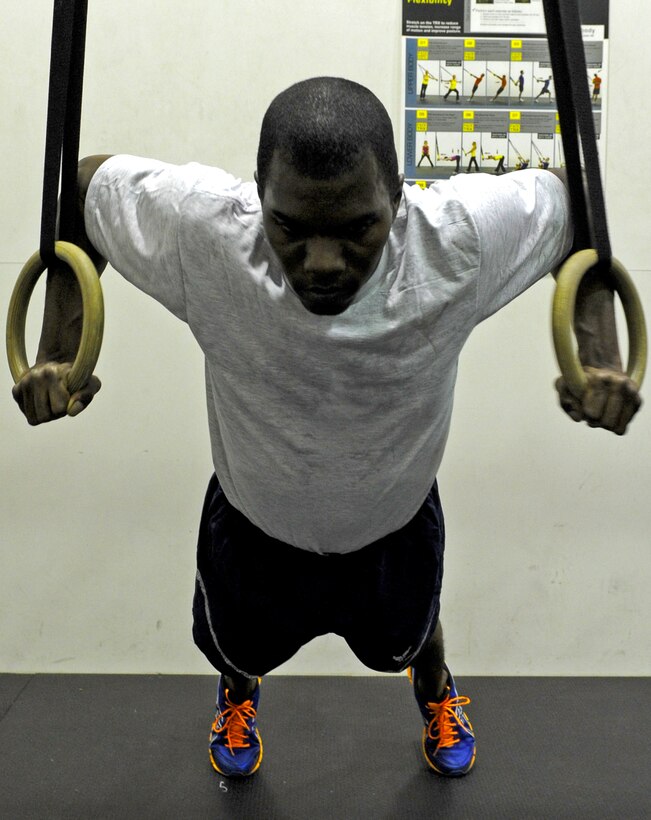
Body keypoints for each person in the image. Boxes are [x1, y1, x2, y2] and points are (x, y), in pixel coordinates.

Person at [12, 77, 641, 782]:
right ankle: (239, 692)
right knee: (236, 647)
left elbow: (574, 198)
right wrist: (58, 354)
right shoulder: (205, 230)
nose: (321, 262)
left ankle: (435, 690)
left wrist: (600, 359)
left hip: (392, 523)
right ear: (257, 195)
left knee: (407, 639)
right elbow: (82, 188)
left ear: (396, 197)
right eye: (289, 227)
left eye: (356, 229)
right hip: (254, 525)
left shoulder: (455, 240)